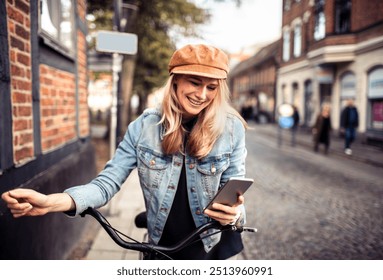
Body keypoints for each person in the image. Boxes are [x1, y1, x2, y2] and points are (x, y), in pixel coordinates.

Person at [1, 44, 249, 260]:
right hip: (161, 246)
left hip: (211, 246)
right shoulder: (144, 127)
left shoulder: (231, 128)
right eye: (194, 83)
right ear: (175, 80)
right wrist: (50, 202)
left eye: (212, 87)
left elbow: (234, 191)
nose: (202, 94)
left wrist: (234, 215)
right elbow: (105, 184)